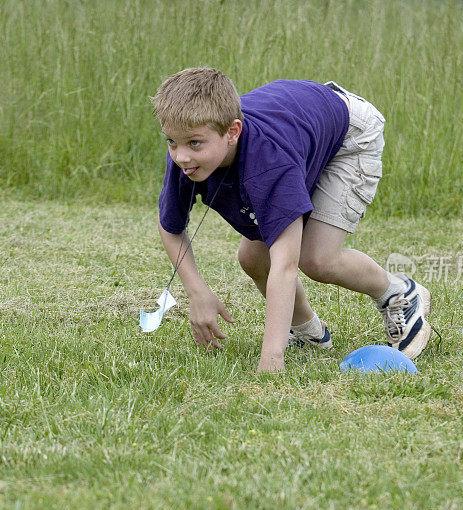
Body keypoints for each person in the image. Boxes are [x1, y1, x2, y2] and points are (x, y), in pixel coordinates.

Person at [152, 67, 431, 372]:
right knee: (252, 259)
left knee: (317, 259)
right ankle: (308, 332)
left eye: (194, 144)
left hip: (349, 135)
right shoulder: (186, 152)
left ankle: (398, 293)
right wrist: (198, 292)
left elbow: (285, 265)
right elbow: (171, 228)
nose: (181, 157)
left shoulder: (269, 163)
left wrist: (271, 358)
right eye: (171, 142)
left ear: (232, 132)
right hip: (302, 130)